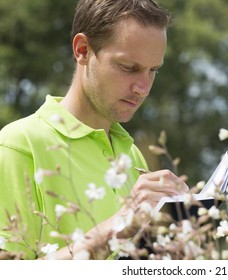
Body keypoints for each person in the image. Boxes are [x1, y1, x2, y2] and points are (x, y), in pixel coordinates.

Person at [0, 0, 188, 260]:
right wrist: (117, 227)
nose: (143, 88)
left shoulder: (132, 156)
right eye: (129, 68)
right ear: (83, 50)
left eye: (153, 70)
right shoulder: (18, 145)